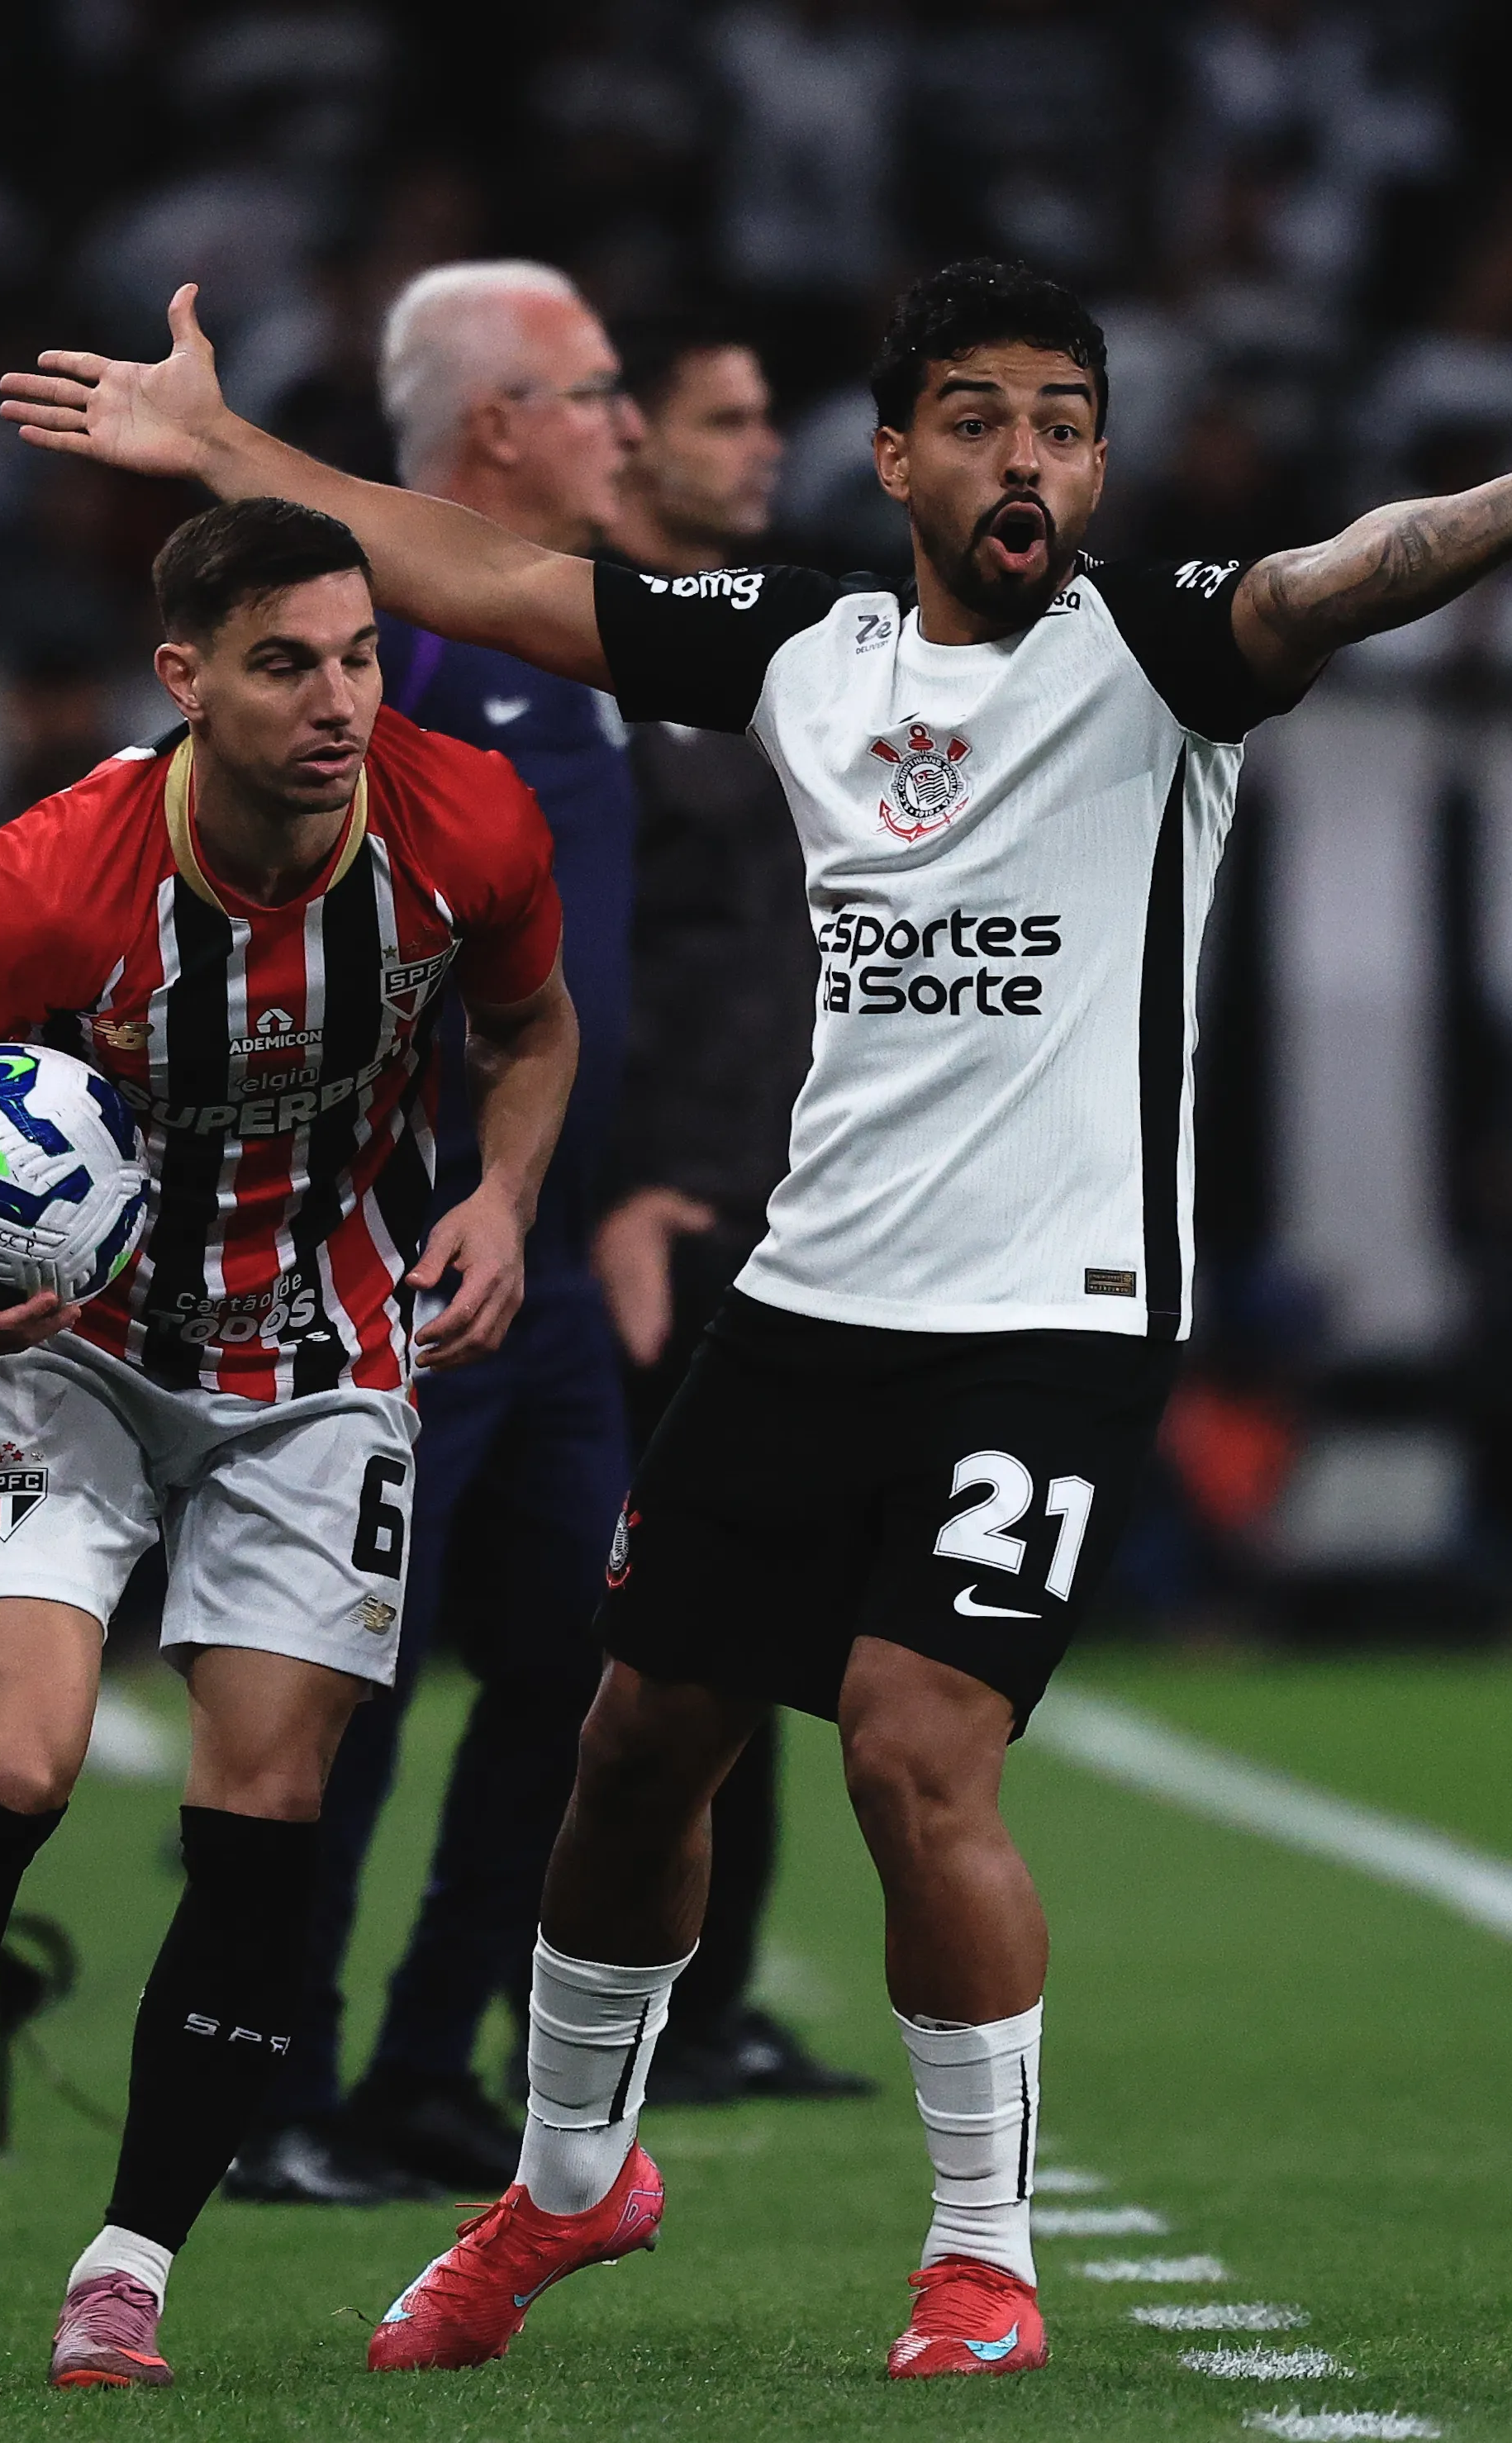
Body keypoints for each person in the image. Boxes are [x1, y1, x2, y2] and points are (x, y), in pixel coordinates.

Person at [4, 254, 1512, 2379]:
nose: (1033, 460)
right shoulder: (805, 651)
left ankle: (982, 2251)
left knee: (920, 1751)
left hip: (1052, 1325)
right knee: (634, 1755)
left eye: (1070, 423)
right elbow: (494, 570)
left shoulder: (1161, 651)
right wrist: (225, 449)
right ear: (898, 453)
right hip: (810, 1304)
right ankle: (566, 2186)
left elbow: (1342, 576)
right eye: (986, 419)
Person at [0, 496, 578, 2393]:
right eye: (288, 662)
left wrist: (512, 1192)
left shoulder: (468, 827)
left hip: (326, 1354)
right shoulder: (63, 872)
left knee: (265, 1813)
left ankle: (127, 2262)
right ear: (185, 678)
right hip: (76, 1348)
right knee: (19, 1759)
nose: (341, 699)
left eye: (362, 654)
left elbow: (531, 1030)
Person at [227, 260, 651, 2207]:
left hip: (550, 1268)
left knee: (576, 1679)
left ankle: (415, 2067)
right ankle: (271, 2082)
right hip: (383, 1264)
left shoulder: (588, 641)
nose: (622, 425)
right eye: (592, 392)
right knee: (337, 1687)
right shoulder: (354, 664)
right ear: (495, 428)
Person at [590, 316, 870, 2107]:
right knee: (654, 1623)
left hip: (795, 1189)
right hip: (661, 1192)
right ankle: (610, 2014)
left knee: (766, 1621)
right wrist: (612, 1181)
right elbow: (570, 955)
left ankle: (705, 2007)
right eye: (723, 419)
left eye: (771, 418)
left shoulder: (803, 640)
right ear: (633, 441)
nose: (762, 447)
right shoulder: (592, 656)